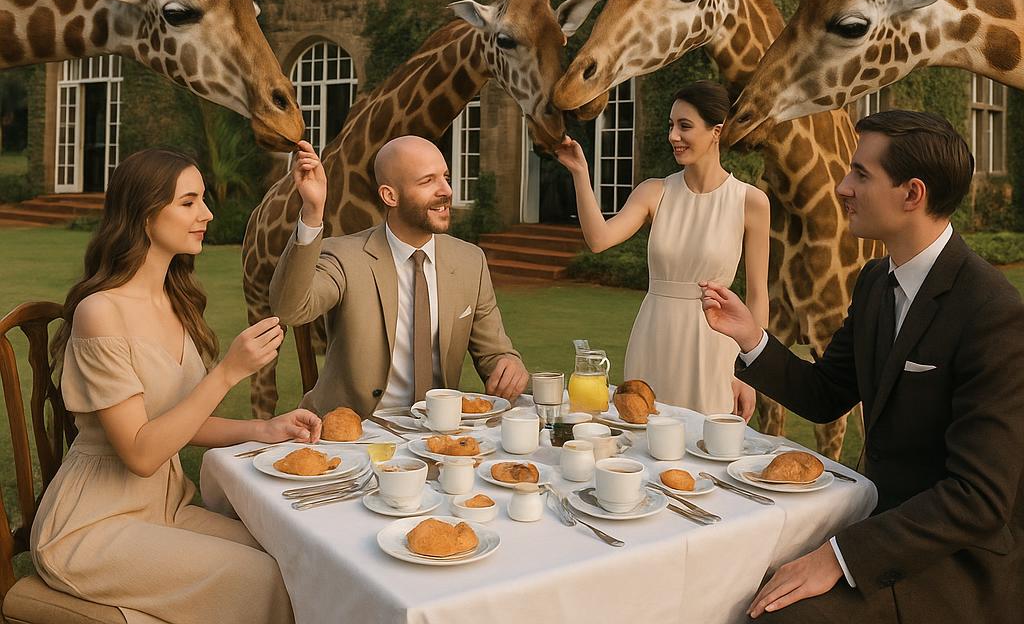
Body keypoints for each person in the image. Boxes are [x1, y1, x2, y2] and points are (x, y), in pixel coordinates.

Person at [701, 110, 1024, 622]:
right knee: (726, 580)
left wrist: (841, 556)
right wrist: (752, 338)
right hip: (874, 523)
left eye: (861, 175)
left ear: (912, 194)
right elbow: (826, 393)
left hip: (956, 561)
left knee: (780, 616)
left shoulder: (992, 312)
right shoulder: (875, 281)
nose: (843, 186)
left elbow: (978, 498)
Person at [31, 148, 318, 624]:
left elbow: (174, 422)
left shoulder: (175, 300)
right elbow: (142, 453)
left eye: (202, 200)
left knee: (292, 556)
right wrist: (229, 372)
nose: (206, 214)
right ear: (145, 215)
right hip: (94, 525)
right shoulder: (101, 312)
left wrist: (263, 429)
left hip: (167, 505)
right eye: (188, 202)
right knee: (261, 578)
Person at [270, 136, 529, 415]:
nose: (446, 190)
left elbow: (494, 353)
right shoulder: (344, 256)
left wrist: (508, 364)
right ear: (390, 196)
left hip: (437, 430)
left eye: (445, 177)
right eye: (427, 181)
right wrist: (312, 213)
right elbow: (290, 310)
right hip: (354, 435)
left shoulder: (470, 261)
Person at [555, 81, 769, 416]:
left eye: (685, 126)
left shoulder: (750, 202)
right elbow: (599, 239)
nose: (673, 136)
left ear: (716, 131)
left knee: (705, 451)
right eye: (671, 125)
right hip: (653, 337)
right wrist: (581, 174)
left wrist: (751, 373)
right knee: (643, 436)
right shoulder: (654, 192)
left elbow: (757, 295)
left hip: (714, 344)